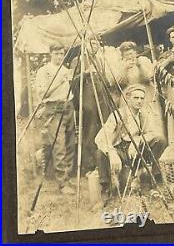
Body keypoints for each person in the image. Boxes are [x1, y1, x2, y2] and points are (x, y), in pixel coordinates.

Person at [95, 84, 167, 201]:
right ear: (128, 99)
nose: (139, 101)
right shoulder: (117, 115)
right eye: (136, 98)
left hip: (135, 152)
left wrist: (138, 140)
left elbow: (151, 133)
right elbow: (100, 138)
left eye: (142, 98)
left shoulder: (143, 115)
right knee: (99, 153)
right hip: (119, 151)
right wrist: (112, 153)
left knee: (160, 141)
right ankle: (105, 189)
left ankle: (154, 181)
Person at [35, 42, 76, 195]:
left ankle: (68, 175)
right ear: (50, 54)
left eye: (61, 53)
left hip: (68, 106)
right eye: (56, 53)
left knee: (70, 143)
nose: (59, 56)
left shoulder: (66, 69)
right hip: (53, 108)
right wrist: (59, 82)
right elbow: (42, 94)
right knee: (58, 145)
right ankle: (62, 183)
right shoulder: (43, 71)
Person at [71, 35, 114, 174]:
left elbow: (105, 80)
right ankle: (89, 165)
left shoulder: (100, 60)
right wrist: (85, 73)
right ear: (86, 45)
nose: (94, 47)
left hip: (101, 100)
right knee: (89, 131)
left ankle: (103, 163)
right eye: (92, 44)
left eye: (97, 44)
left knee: (104, 129)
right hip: (88, 102)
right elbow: (73, 81)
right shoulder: (78, 60)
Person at [116, 41, 165, 138]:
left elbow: (149, 76)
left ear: (135, 52)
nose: (129, 56)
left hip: (146, 93)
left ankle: (154, 139)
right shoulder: (121, 64)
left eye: (131, 53)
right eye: (126, 54)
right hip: (129, 94)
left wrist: (139, 66)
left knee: (149, 118)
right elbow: (117, 81)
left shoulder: (143, 60)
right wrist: (125, 69)